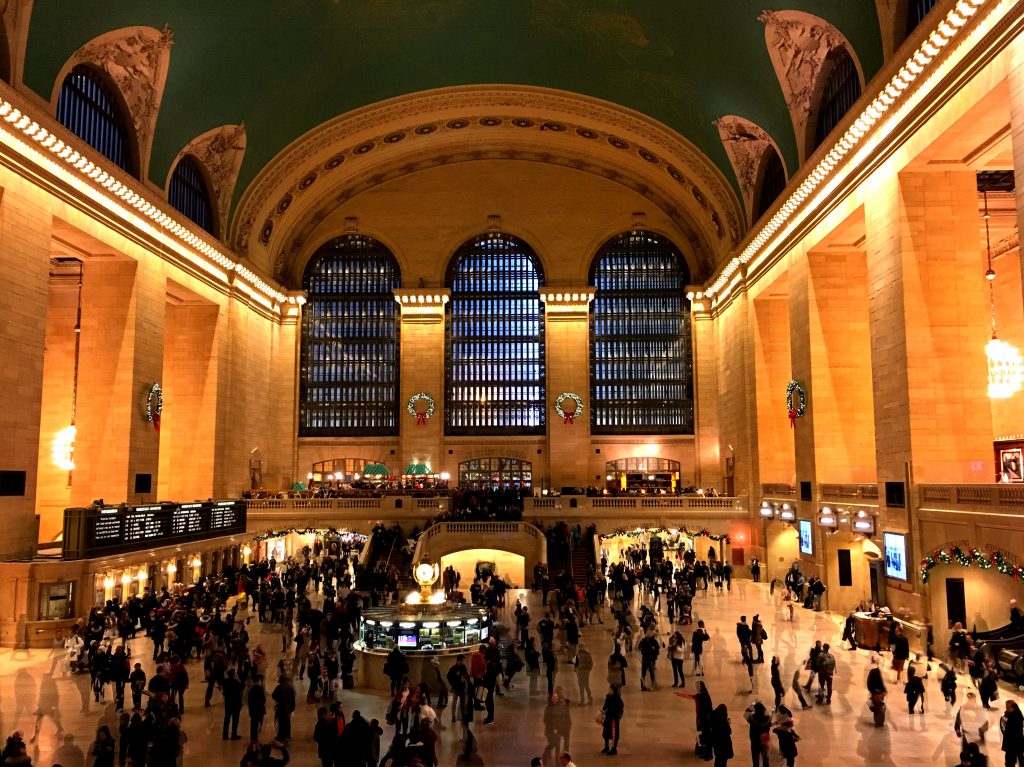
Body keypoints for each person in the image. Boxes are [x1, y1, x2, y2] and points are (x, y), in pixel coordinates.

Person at [744, 701, 771, 767]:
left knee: (755, 759)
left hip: (755, 741)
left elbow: (745, 713)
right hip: (764, 741)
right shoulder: (768, 718)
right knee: (765, 759)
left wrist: (753, 703)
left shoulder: (751, 718)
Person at [601, 685, 624, 755]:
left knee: (614, 734)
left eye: (611, 690)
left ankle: (614, 748)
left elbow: (620, 710)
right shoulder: (608, 697)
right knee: (606, 733)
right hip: (608, 718)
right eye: (609, 689)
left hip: (614, 719)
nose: (609, 691)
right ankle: (606, 746)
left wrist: (616, 716)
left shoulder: (618, 699)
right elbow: (605, 706)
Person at [1001, 699, 1024, 767]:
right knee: (1019, 758)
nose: (1006, 709)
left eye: (1008, 707)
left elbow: (1013, 732)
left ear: (1013, 707)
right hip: (1015, 743)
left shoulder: (1016, 717)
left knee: (1010, 760)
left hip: (1013, 743)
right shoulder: (1015, 713)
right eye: (1006, 707)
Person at [867, 660, 887, 727]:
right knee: (879, 707)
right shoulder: (877, 672)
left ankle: (877, 720)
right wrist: (883, 690)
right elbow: (880, 683)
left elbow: (869, 682)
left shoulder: (874, 671)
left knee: (877, 706)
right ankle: (879, 721)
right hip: (877, 693)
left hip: (875, 692)